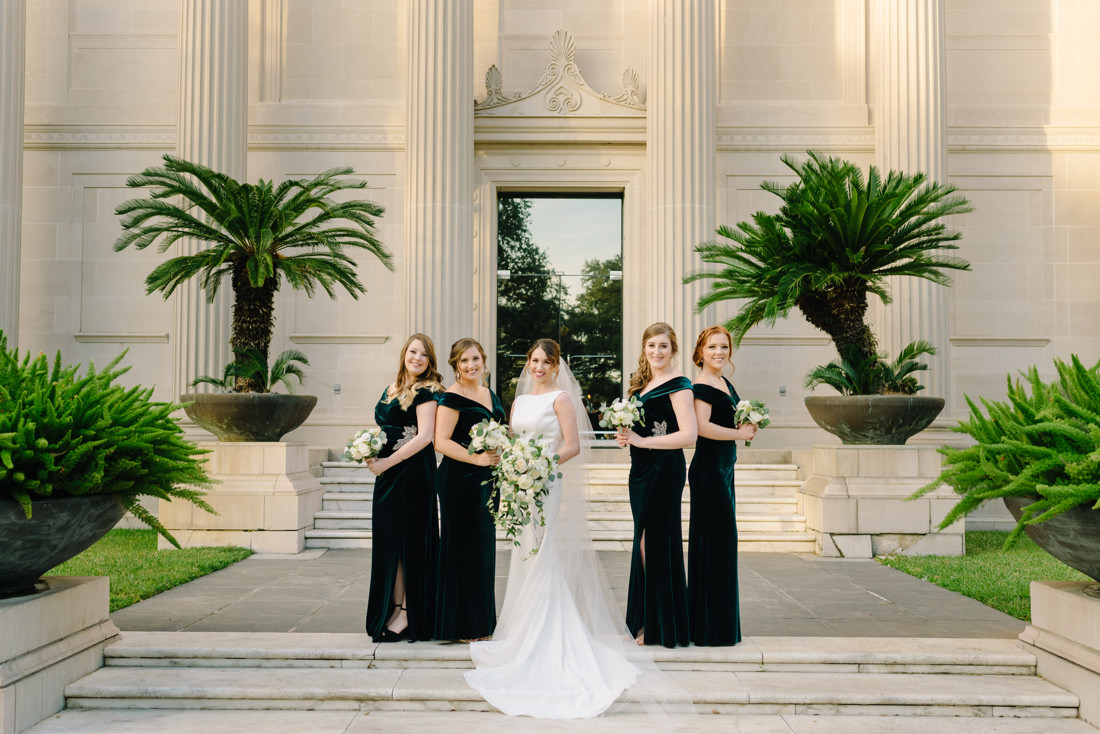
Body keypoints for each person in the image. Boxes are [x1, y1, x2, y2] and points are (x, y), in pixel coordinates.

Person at [465, 339, 640, 718]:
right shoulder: (520, 400)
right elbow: (512, 437)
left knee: (541, 550)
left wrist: (539, 463)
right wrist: (514, 461)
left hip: (546, 481)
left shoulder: (561, 398)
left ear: (557, 365)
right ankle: (522, 631)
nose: (538, 366)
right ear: (528, 364)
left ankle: (544, 635)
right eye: (534, 360)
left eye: (545, 361)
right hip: (519, 482)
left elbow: (572, 445)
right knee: (524, 552)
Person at [617, 322, 697, 648]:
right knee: (643, 542)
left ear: (673, 349)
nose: (657, 352)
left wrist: (644, 439)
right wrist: (626, 435)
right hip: (640, 470)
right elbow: (638, 430)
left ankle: (659, 625)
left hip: (665, 470)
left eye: (663, 346)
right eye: (651, 346)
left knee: (655, 543)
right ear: (644, 349)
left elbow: (689, 436)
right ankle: (649, 619)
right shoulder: (641, 387)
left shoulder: (680, 385)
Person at [364, 333, 443, 642]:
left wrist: (386, 463)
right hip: (387, 477)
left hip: (412, 474)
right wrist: (370, 451)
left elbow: (425, 437)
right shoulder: (390, 388)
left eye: (424, 355)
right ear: (404, 354)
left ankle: (410, 614)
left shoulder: (427, 391)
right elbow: (387, 428)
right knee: (390, 544)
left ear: (430, 361)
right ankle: (395, 608)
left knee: (412, 542)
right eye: (413, 352)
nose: (417, 358)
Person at [434, 338, 506, 642]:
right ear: (455, 366)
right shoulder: (451, 397)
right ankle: (461, 625)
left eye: (475, 358)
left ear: (483, 360)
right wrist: (475, 458)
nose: (471, 365)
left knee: (483, 550)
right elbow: (441, 441)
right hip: (459, 480)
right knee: (462, 549)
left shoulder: (489, 394)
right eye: (464, 361)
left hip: (487, 481)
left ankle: (481, 623)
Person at [688, 325, 756, 647]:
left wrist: (747, 424)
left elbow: (726, 420)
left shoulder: (724, 381)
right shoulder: (700, 384)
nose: (719, 352)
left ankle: (720, 626)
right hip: (709, 472)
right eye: (712, 347)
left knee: (724, 546)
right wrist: (738, 434)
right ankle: (709, 629)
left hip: (724, 470)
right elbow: (701, 427)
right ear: (701, 351)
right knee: (716, 544)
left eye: (724, 347)